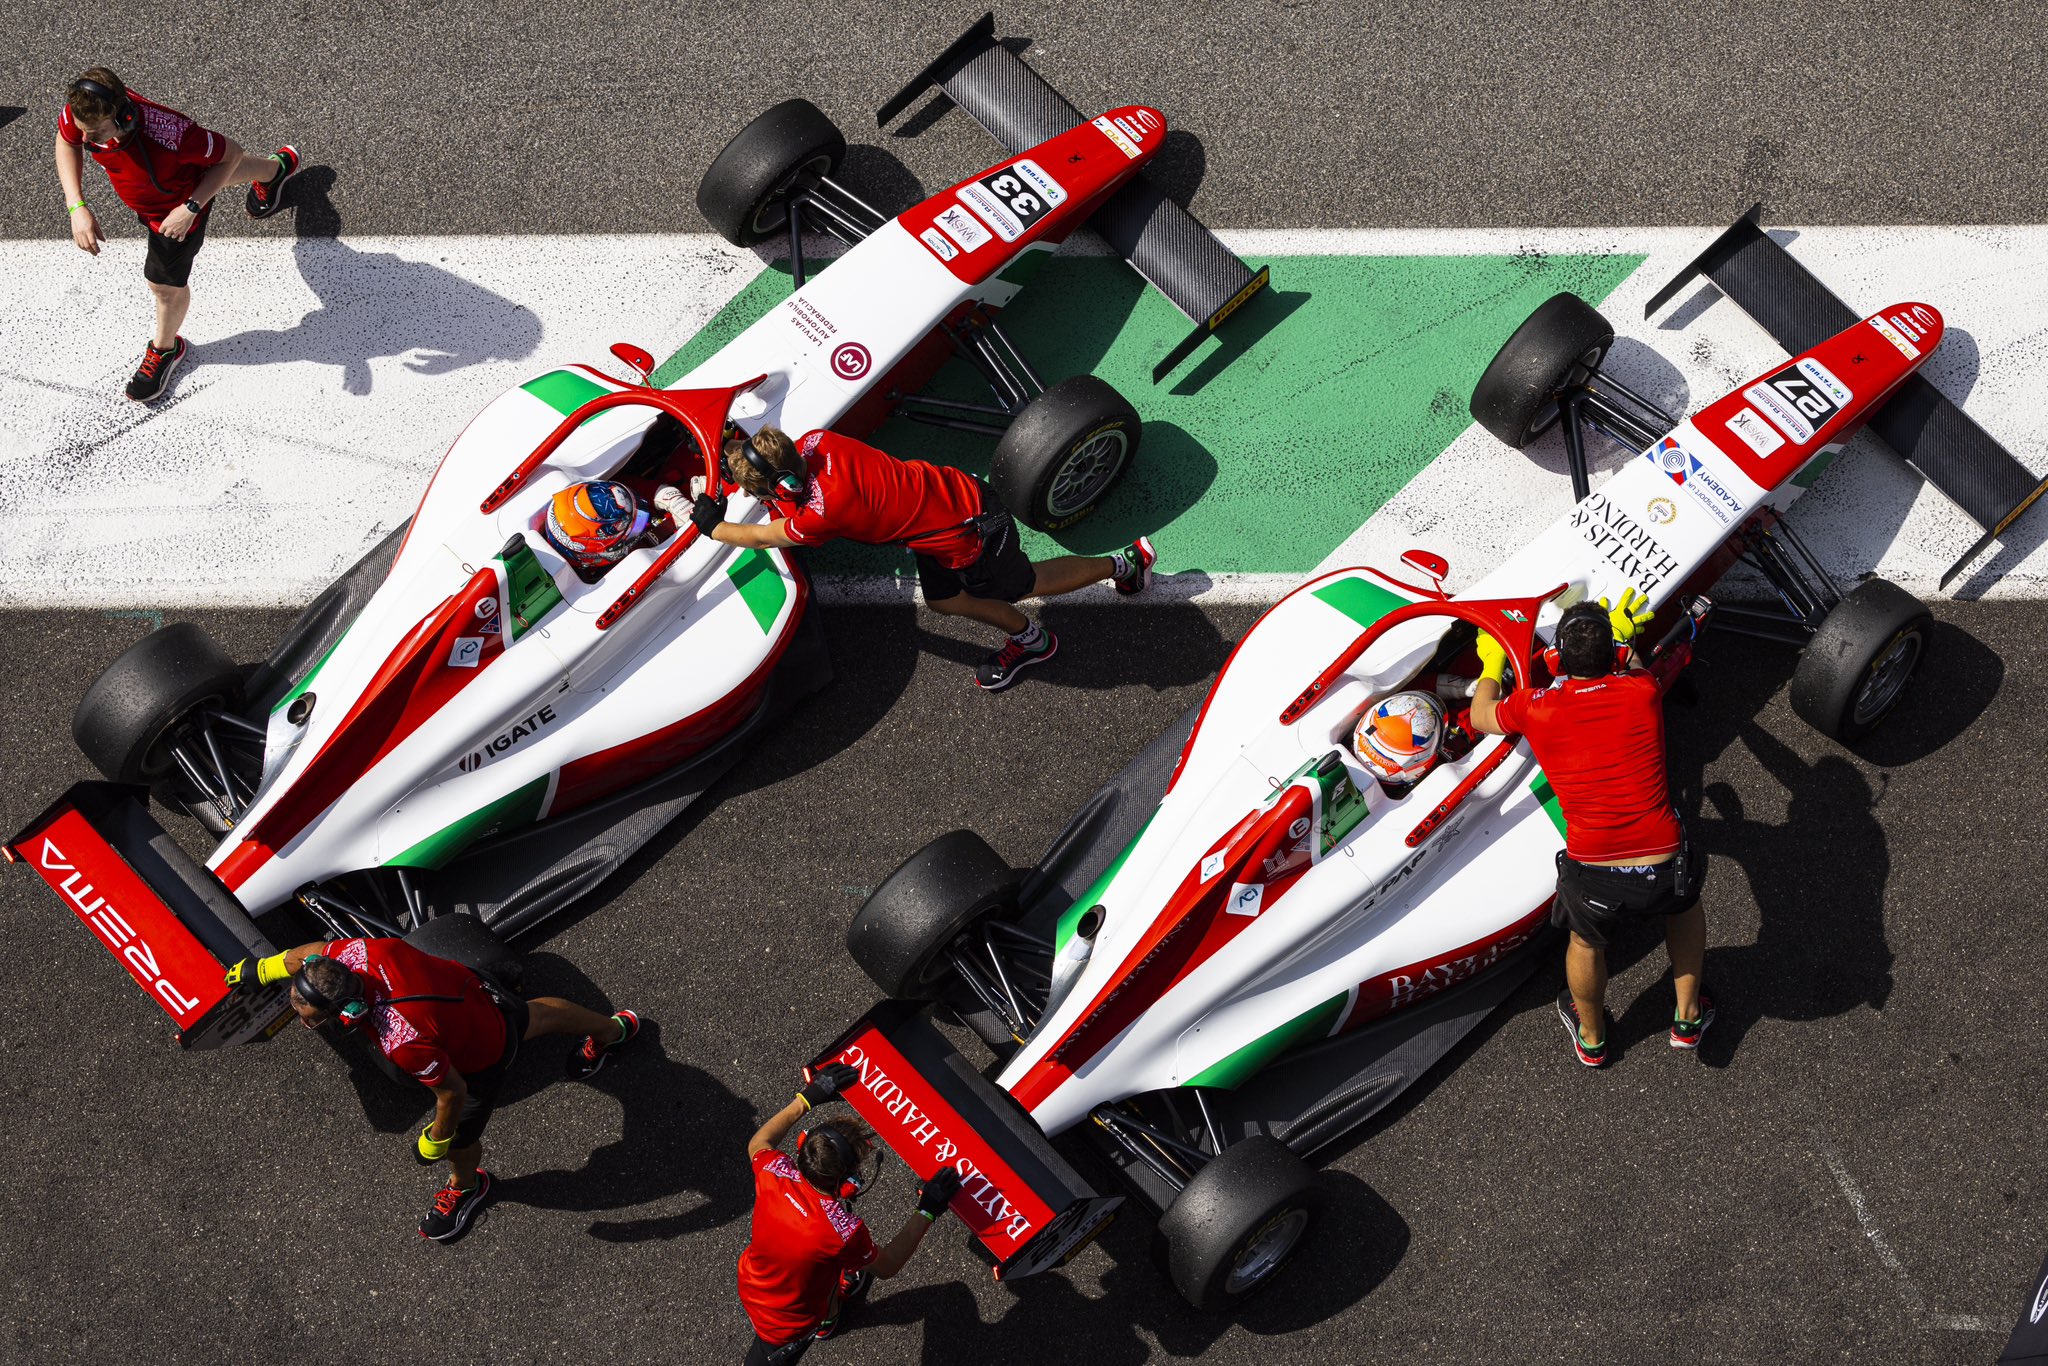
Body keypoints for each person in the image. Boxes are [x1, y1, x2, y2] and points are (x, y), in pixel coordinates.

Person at [224, 935, 640, 1240]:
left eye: (311, 1018)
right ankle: (616, 1030)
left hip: (485, 1052)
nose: (305, 1023)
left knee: (460, 1137)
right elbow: (302, 954)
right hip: (474, 988)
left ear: (349, 1010)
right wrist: (260, 969)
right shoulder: (353, 954)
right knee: (537, 1016)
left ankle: (468, 1186)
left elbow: (452, 1093)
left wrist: (434, 1141)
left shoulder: (402, 1040)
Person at [689, 425, 1157, 691]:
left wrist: (711, 526)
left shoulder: (822, 515)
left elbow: (757, 536)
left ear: (784, 486)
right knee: (944, 601)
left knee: (1026, 583)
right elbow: (785, 487)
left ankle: (1126, 566)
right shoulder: (816, 441)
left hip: (971, 533)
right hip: (945, 513)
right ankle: (1030, 638)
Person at [1470, 588, 1713, 1067]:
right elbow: (1637, 663)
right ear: (1617, 655)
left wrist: (1491, 665)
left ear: (1556, 656)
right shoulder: (1641, 691)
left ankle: (1593, 1037)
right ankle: (1687, 1019)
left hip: (1595, 870)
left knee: (1585, 942)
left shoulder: (1535, 707)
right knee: (1683, 911)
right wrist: (1626, 638)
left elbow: (1481, 716)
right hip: (1663, 861)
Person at [53, 67, 302, 402]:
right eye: (85, 131)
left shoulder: (176, 138)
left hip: (173, 214)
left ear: (125, 117)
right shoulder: (84, 112)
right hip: (175, 184)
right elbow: (67, 140)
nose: (86, 140)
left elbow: (232, 151)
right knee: (211, 169)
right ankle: (276, 170)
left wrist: (191, 207)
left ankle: (166, 349)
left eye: (95, 133)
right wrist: (76, 206)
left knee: (163, 286)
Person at [737, 1062, 963, 1363]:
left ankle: (830, 1316)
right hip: (786, 1328)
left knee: (826, 1269)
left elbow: (759, 1142)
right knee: (828, 1273)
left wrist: (806, 1098)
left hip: (754, 1284)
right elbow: (888, 1265)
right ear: (845, 1179)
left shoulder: (772, 1172)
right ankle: (824, 1325)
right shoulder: (842, 1232)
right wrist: (928, 1209)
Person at [541, 479, 676, 581]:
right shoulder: (614, 580)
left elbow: (627, 484)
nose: (642, 522)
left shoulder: (601, 496)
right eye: (636, 525)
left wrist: (664, 493)